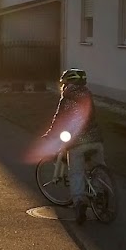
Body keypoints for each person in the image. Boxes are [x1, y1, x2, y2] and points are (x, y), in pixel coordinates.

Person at [43, 68, 105, 223]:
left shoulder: (66, 98)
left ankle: (79, 203)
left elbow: (59, 119)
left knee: (76, 173)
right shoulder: (88, 94)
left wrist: (50, 134)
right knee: (98, 169)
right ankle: (100, 195)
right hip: (96, 139)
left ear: (68, 83)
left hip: (77, 141)